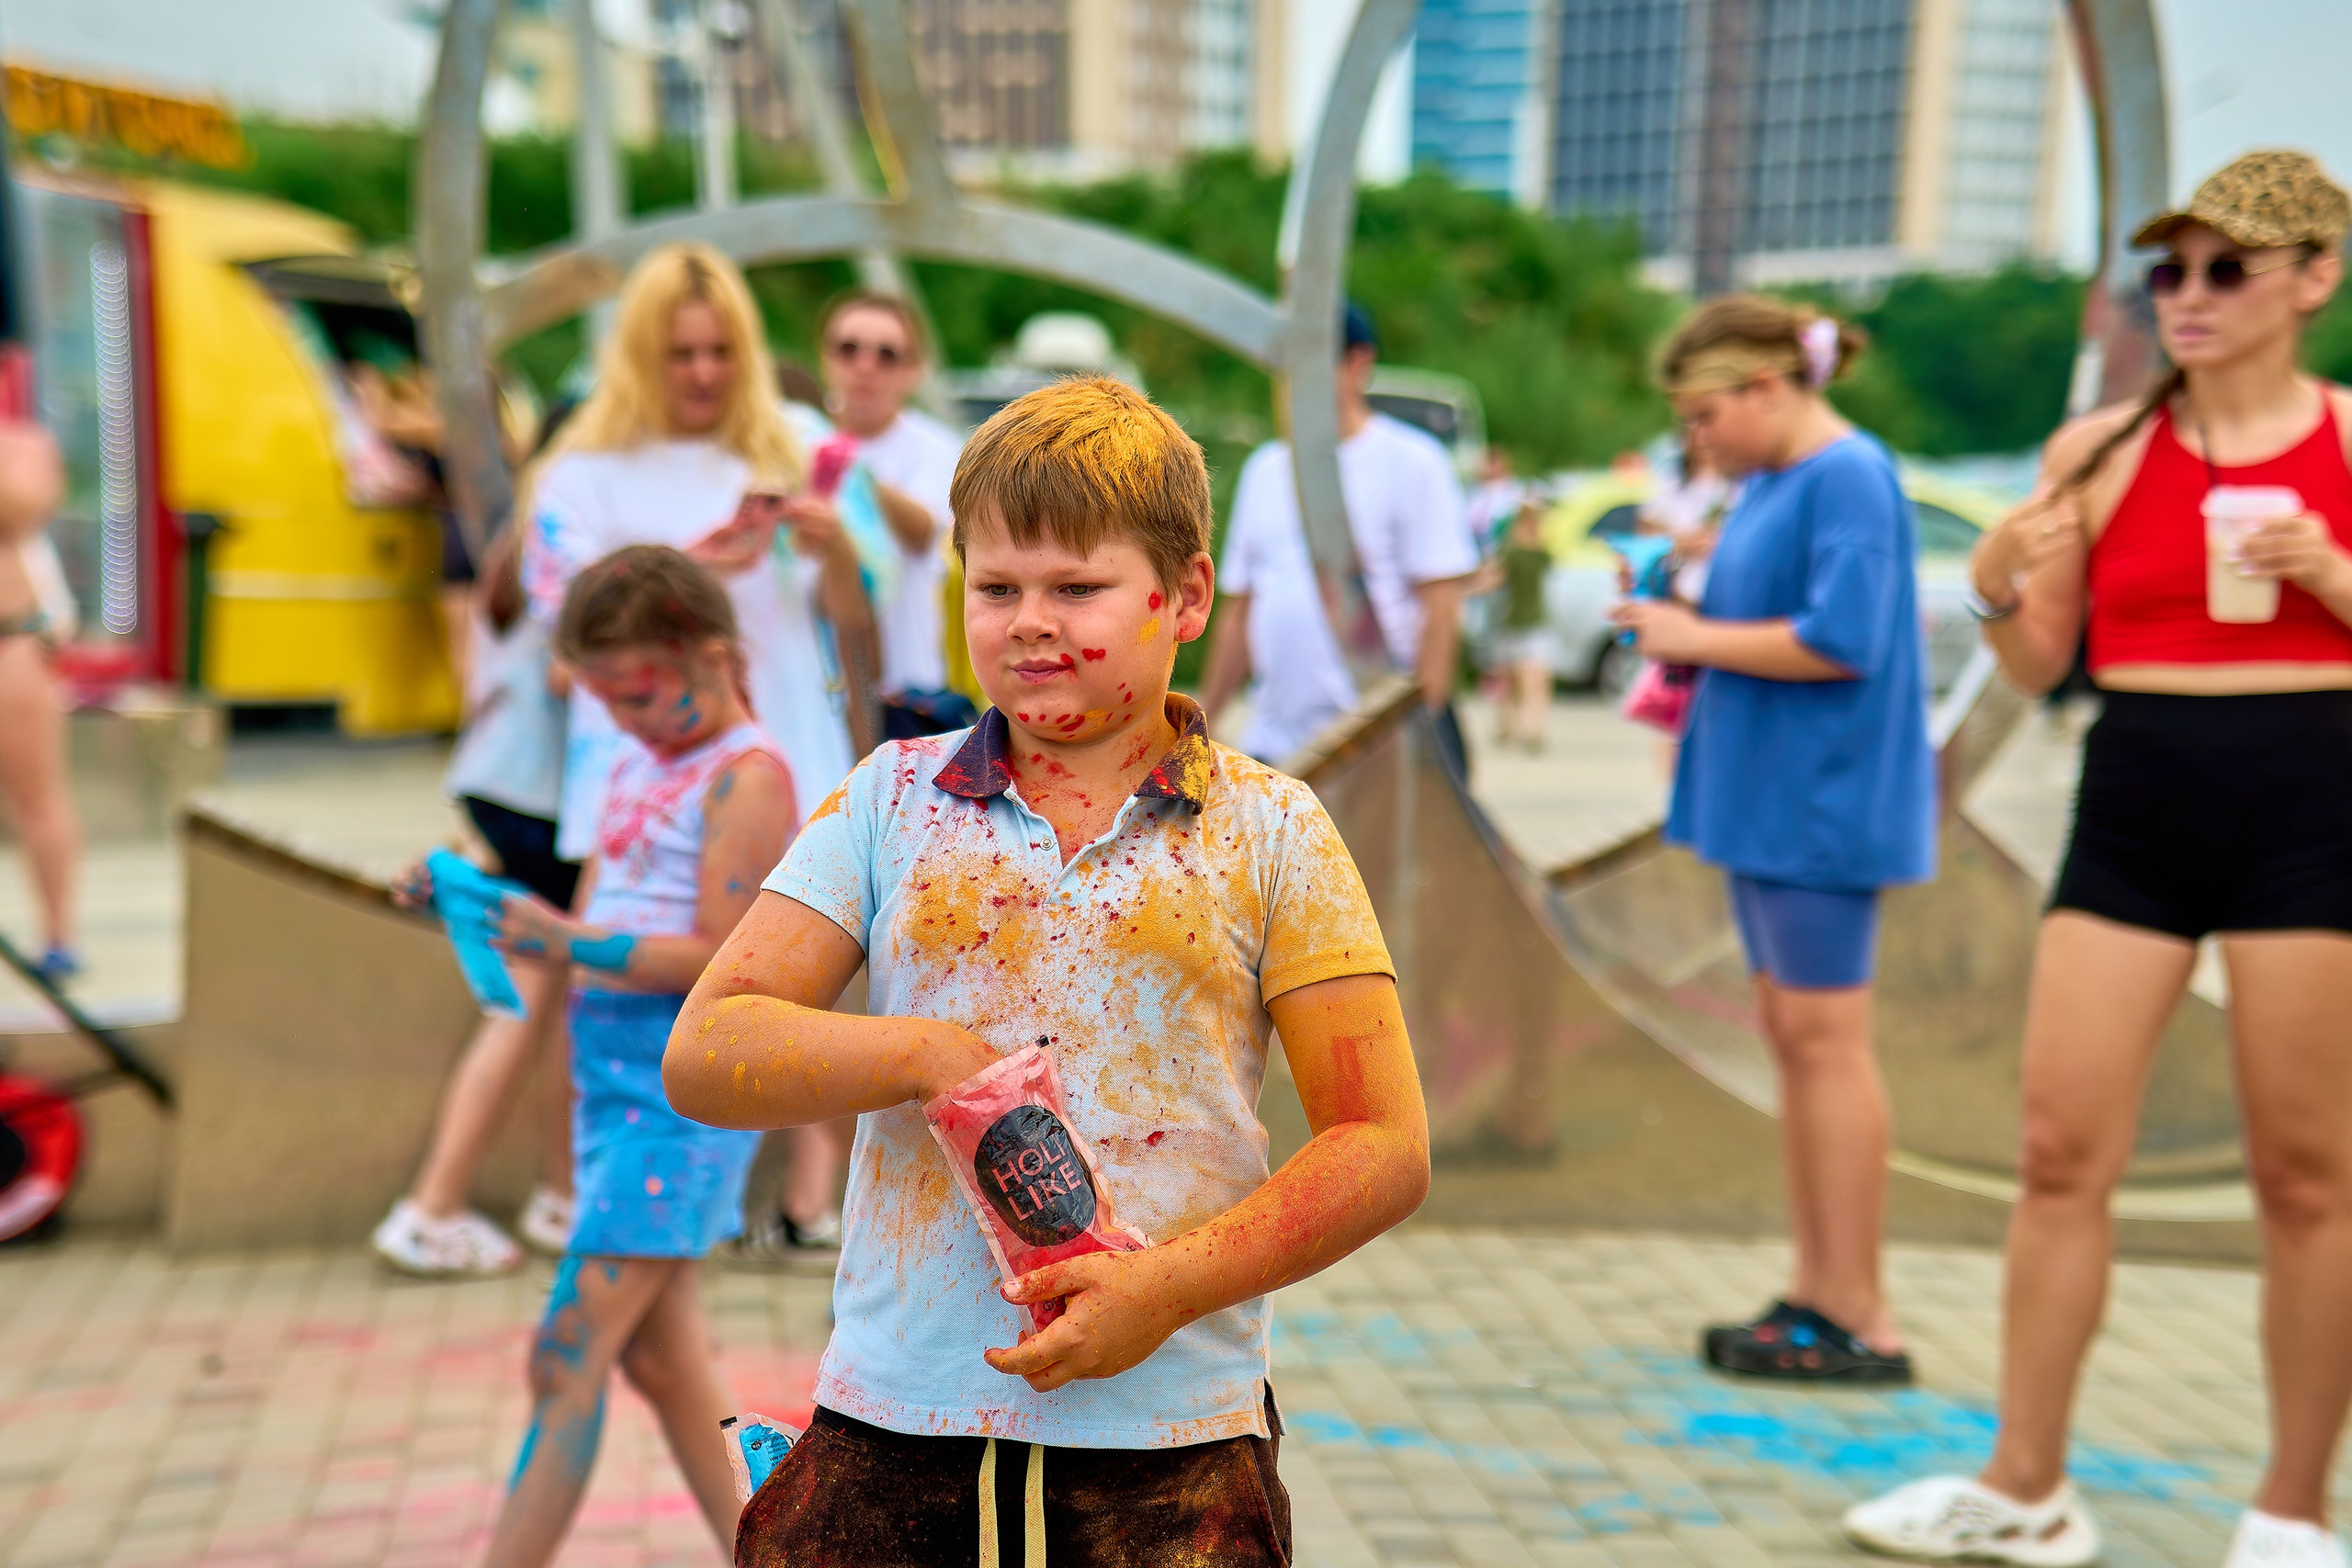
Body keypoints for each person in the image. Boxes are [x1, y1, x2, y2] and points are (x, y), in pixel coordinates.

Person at [664, 376, 1430, 1562]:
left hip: (1171, 1446)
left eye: (1076, 588)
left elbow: (1381, 1141)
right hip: (896, 1422)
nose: (1028, 620)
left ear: (1187, 595)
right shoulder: (891, 799)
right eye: (996, 587)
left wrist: (1168, 1288)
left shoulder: (1271, 828)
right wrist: (926, 1054)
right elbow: (708, 1049)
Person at [1847, 151, 2352, 1568]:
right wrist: (1994, 579)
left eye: (2227, 268)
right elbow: (2042, 658)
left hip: (2313, 803)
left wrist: (2328, 572)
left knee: (2305, 1172)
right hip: (2138, 796)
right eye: (2168, 270)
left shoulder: (2347, 439)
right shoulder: (2103, 445)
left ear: (2314, 279)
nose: (2187, 294)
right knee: (2060, 1151)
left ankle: (2294, 1508)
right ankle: (2027, 1484)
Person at [1614, 295, 1935, 1384]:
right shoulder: (1776, 482)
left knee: (1825, 1045)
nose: (1696, 440)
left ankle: (1858, 1311)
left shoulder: (1849, 475)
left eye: (1704, 416)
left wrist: (1689, 632)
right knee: (1798, 1044)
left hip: (1821, 804)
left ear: (1766, 386)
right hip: (1776, 800)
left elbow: (1843, 638)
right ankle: (1820, 1289)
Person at [472, 544, 797, 1567]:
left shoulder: (748, 778)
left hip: (679, 1096)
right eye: (606, 698)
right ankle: (777, 1552)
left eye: (639, 693)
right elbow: (585, 922)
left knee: (565, 1353)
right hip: (611, 1083)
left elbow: (723, 957)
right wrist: (478, 901)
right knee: (664, 1365)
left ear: (711, 655)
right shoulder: (636, 761)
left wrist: (565, 939)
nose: (623, 717)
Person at [522, 242, 867, 866]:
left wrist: (837, 547)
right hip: (639, 784)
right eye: (681, 355)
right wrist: (685, 571)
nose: (704, 373)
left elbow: (858, 614)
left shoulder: (801, 444)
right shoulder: (581, 470)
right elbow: (568, 629)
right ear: (639, 356)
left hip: (791, 757)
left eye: (721, 351)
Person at [373, 522, 579, 1276]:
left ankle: (557, 1195)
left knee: (545, 994)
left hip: (496, 786)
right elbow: (567, 674)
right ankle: (436, 1207)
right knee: (535, 997)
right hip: (542, 801)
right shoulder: (570, 540)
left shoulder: (512, 549)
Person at [1201, 302, 1479, 773]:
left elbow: (1441, 606)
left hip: (1371, 742)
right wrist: (1208, 716)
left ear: (1358, 363)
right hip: (1277, 744)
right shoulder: (1266, 468)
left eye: (1310, 361)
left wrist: (1421, 733)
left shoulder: (1413, 462)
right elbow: (1242, 608)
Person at [812, 289, 973, 736]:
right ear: (825, 358)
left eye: (887, 355)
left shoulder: (938, 448)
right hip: (815, 692)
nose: (865, 366)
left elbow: (923, 530)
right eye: (849, 349)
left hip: (905, 696)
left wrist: (846, 465)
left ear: (913, 371)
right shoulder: (797, 437)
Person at [0, 420, 77, 984]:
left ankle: (58, 936)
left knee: (38, 796)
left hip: (10, 642)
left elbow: (21, 507)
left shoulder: (23, 447)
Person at [1492, 501, 1555, 750]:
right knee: (1517, 679)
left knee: (1532, 678)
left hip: (1530, 622)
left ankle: (1532, 728)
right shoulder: (1517, 553)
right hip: (1516, 622)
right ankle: (1515, 726)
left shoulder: (1534, 552)